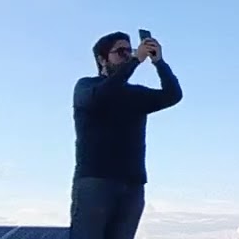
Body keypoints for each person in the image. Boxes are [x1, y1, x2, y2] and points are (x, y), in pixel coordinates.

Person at [70, 32, 183, 239]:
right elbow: (103, 95)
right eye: (120, 52)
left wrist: (159, 62)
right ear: (102, 59)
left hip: (132, 185)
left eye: (129, 51)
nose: (127, 55)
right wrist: (135, 61)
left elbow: (173, 95)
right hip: (95, 182)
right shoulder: (87, 87)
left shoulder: (135, 95)